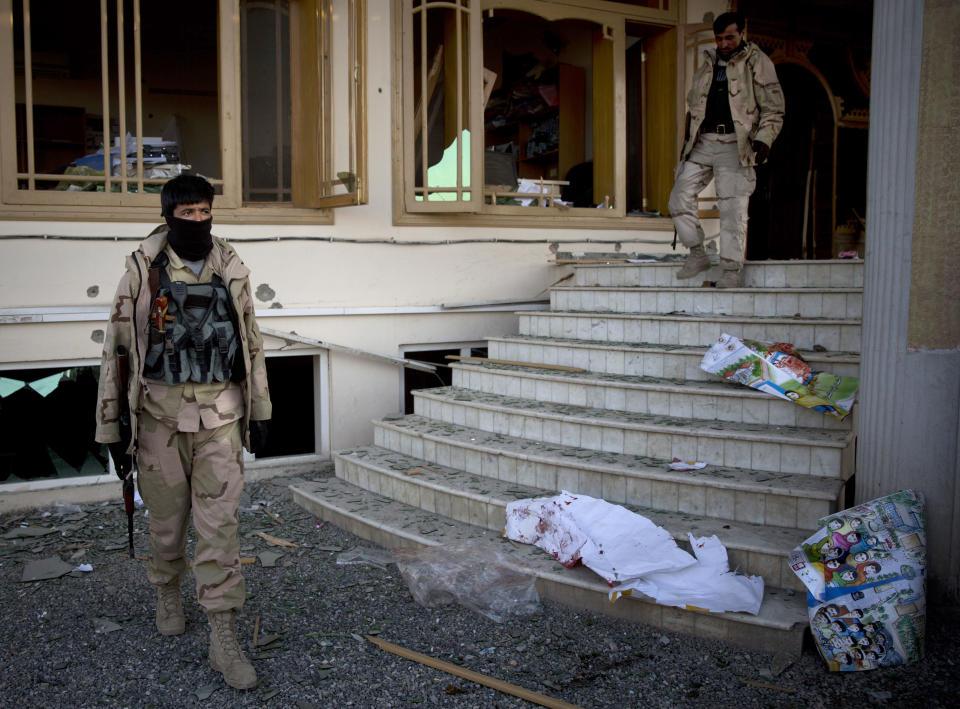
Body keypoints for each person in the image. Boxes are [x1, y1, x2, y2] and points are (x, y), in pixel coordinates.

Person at [95, 175, 271, 690]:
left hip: (220, 417)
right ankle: (167, 590)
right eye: (186, 213)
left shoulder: (230, 267)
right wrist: (110, 427)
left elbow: (252, 343)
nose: (196, 221)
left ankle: (222, 635)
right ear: (169, 214)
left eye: (203, 212)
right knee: (167, 523)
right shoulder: (141, 272)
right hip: (158, 420)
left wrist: (259, 411)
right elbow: (117, 350)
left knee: (220, 528)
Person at [668, 11, 784, 287]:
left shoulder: (758, 62)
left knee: (732, 208)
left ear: (743, 33)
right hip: (703, 142)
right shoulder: (708, 63)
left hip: (736, 143)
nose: (723, 44)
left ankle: (731, 271)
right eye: (719, 38)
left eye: (729, 37)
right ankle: (697, 252)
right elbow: (693, 108)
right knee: (678, 197)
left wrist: (765, 139)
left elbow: (774, 109)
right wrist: (686, 144)